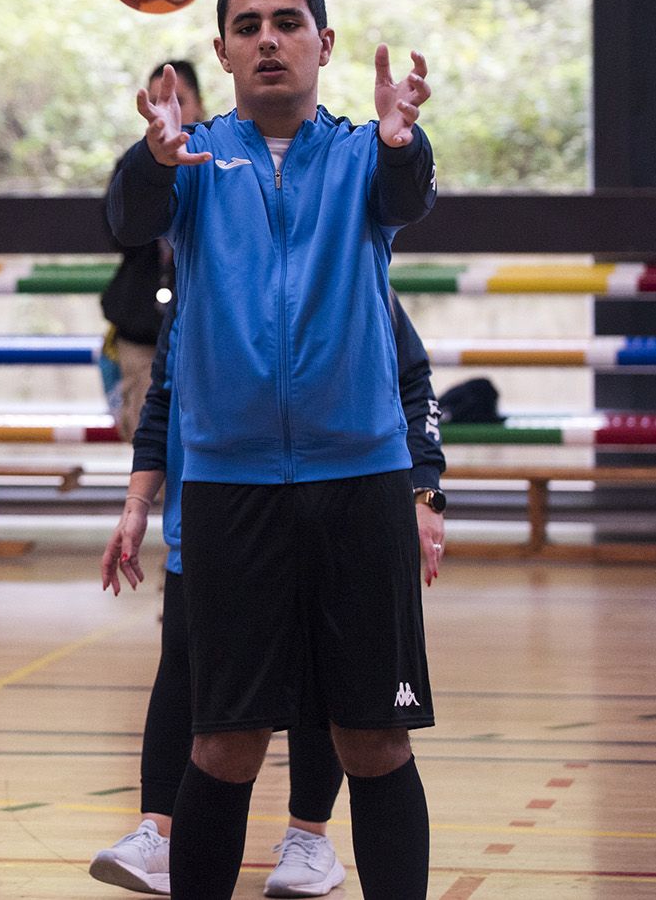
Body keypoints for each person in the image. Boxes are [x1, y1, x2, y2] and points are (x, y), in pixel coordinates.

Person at [106, 0, 437, 899]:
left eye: (287, 23)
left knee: (372, 739)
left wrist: (401, 137)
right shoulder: (193, 163)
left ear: (323, 43)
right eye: (248, 27)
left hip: (360, 481)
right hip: (230, 488)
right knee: (221, 743)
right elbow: (127, 214)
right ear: (222, 50)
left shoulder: (361, 156)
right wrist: (152, 154)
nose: (269, 42)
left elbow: (405, 195)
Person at [90, 291, 447, 897]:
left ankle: (309, 832)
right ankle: (158, 827)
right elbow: (163, 399)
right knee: (207, 708)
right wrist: (137, 503)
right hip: (221, 510)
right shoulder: (204, 284)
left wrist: (425, 492)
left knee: (356, 719)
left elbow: (414, 383)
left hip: (349, 499)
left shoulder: (358, 271)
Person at [99, 61, 205, 441]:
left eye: (179, 99)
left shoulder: (220, 160)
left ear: (200, 106)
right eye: (158, 101)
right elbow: (118, 233)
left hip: (204, 334)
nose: (169, 108)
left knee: (200, 444)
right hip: (142, 331)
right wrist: (153, 173)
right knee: (150, 440)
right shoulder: (134, 166)